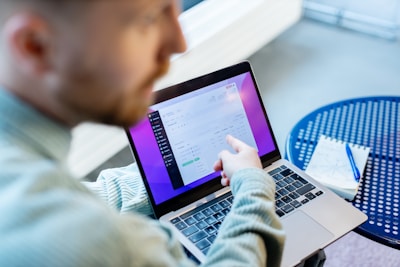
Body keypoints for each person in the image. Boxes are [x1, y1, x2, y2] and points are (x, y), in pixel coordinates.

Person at [0, 0, 285, 266]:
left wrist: (164, 180)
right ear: (35, 45)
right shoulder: (93, 243)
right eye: (147, 19)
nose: (179, 43)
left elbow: (78, 193)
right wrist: (253, 188)